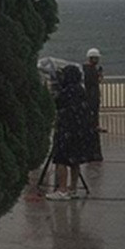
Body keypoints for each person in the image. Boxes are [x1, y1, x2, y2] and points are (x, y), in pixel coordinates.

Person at [47, 65, 96, 200]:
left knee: (61, 159)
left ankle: (62, 190)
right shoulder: (81, 90)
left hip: (66, 129)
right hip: (79, 131)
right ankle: (73, 189)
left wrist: (55, 88)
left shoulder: (66, 92)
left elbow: (56, 103)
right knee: (75, 161)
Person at [83, 47, 105, 160]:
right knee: (92, 124)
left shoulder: (86, 69)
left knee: (92, 123)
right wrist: (99, 75)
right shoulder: (90, 70)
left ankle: (91, 152)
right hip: (92, 100)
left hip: (91, 99)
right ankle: (93, 153)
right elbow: (95, 82)